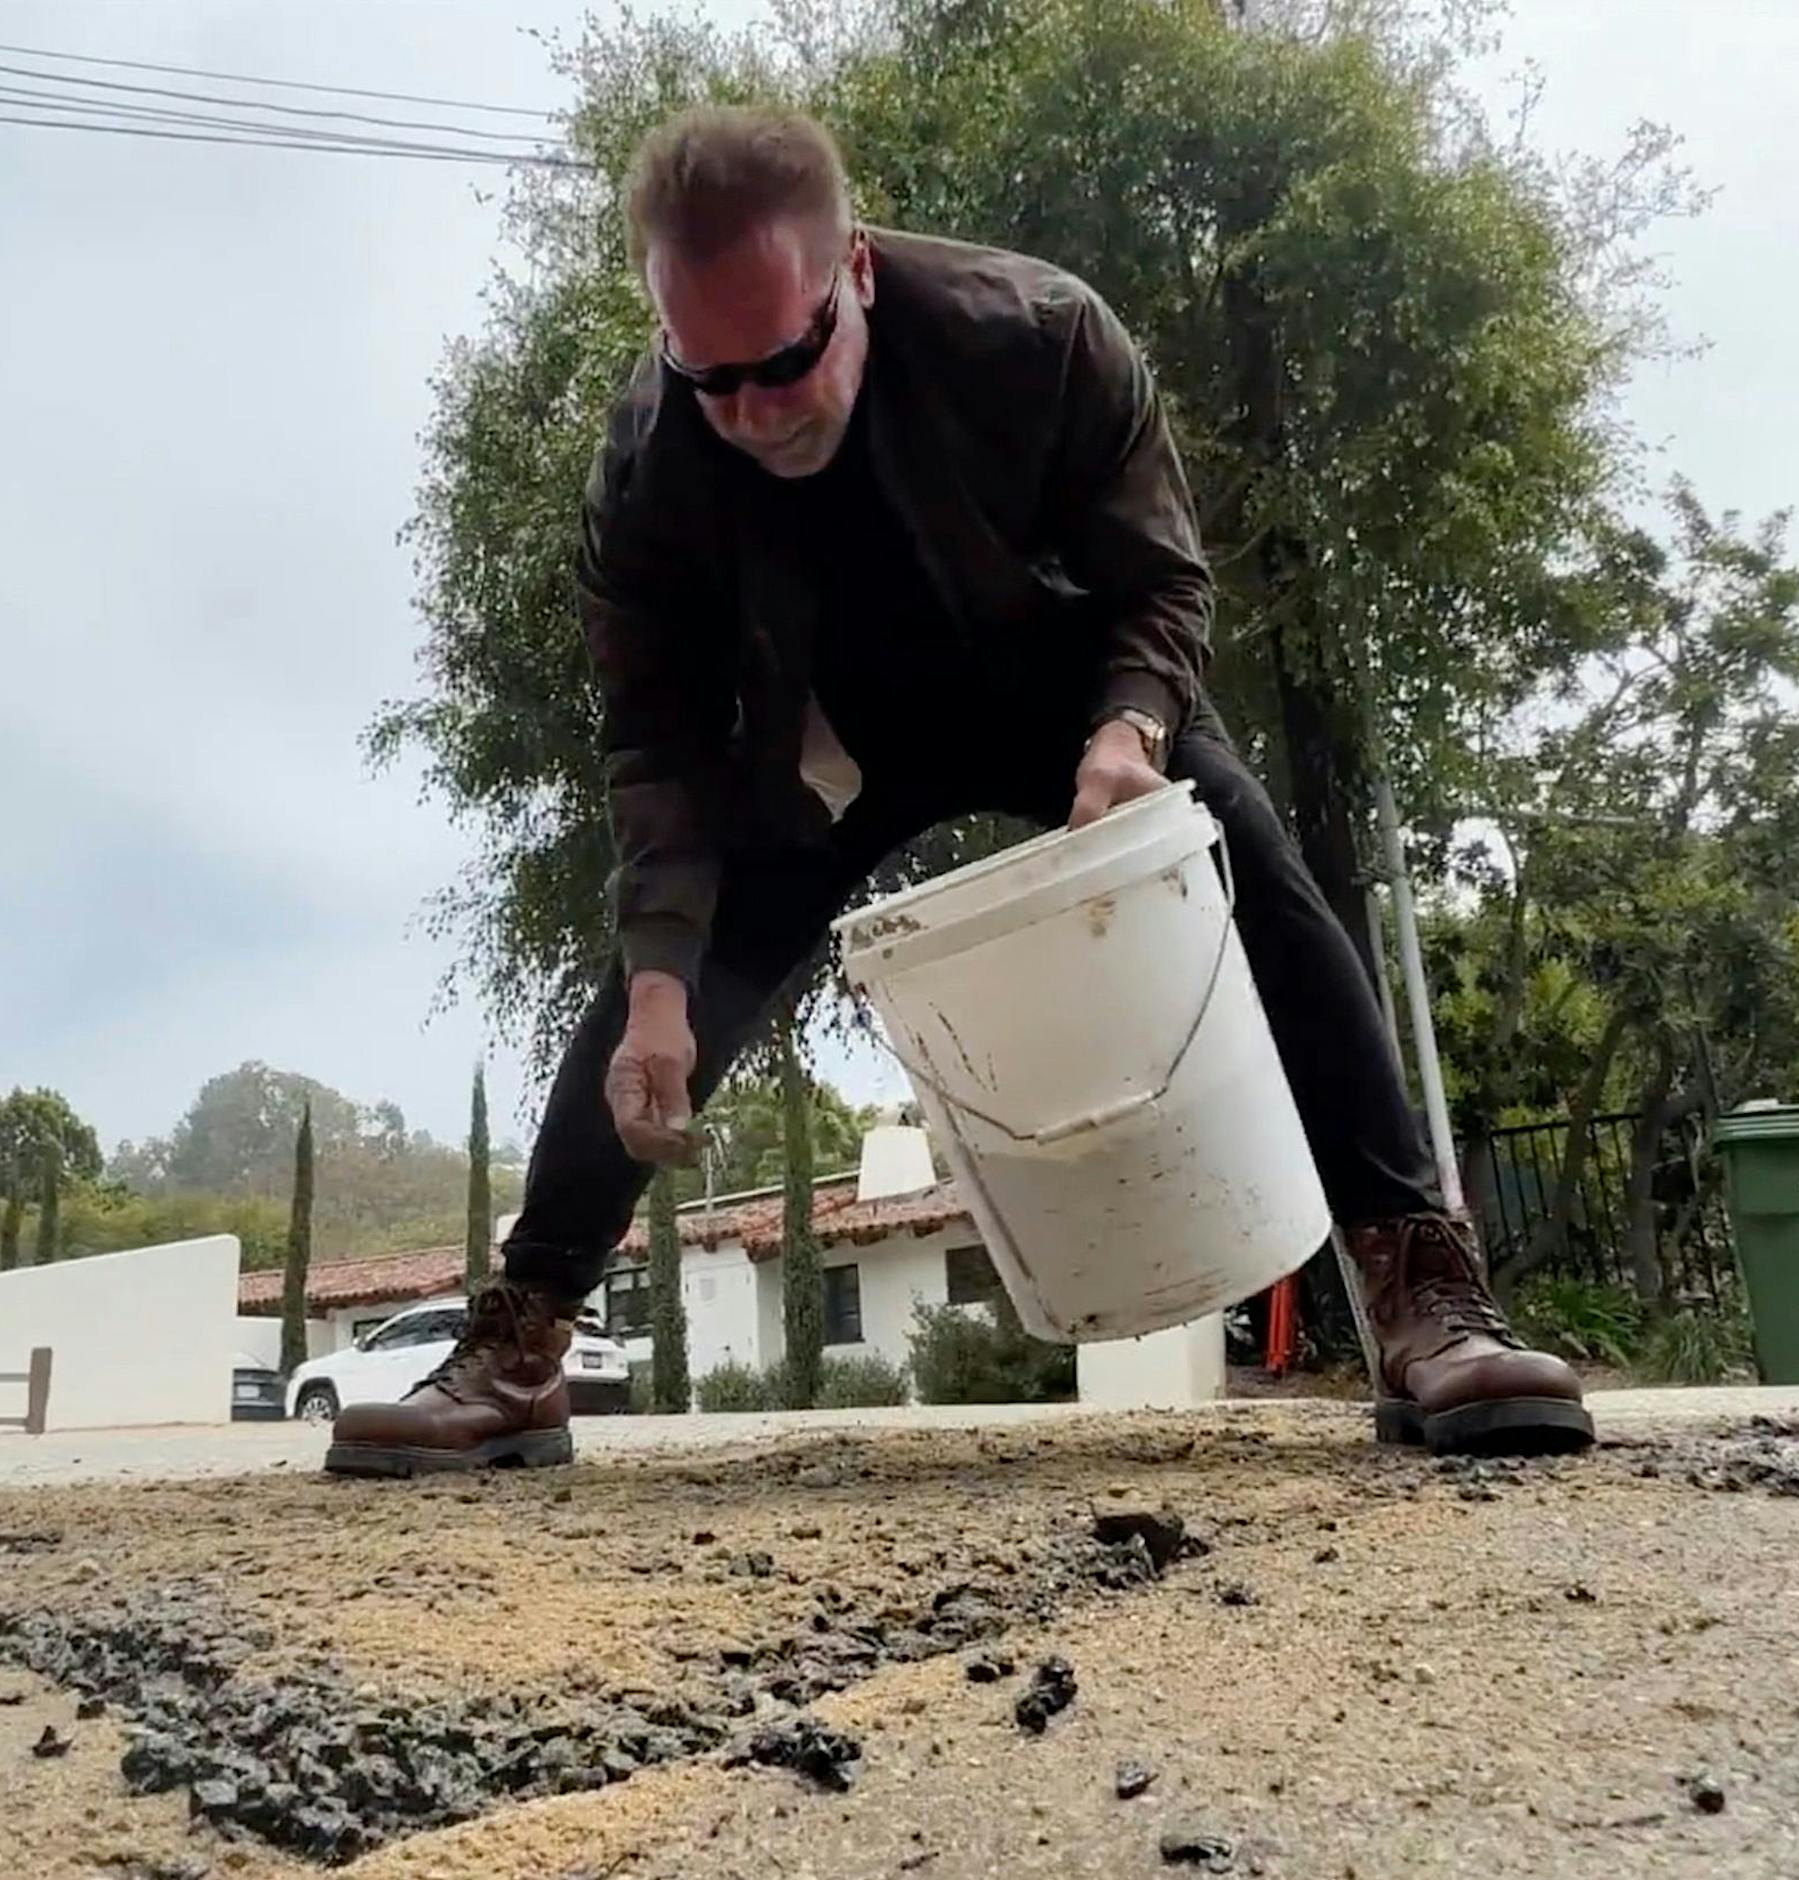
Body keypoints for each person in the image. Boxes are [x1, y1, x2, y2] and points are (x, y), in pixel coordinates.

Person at [322, 106, 1593, 1479]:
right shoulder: (648, 471)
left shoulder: (1040, 336)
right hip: (832, 739)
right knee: (659, 995)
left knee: (1255, 868)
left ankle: (1427, 1299)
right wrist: (655, 986)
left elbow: (1164, 581)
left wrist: (1129, 733)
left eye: (790, 358)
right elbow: (656, 744)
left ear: (855, 269)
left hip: (1068, 688)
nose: (753, 413)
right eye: (711, 376)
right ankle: (517, 1346)